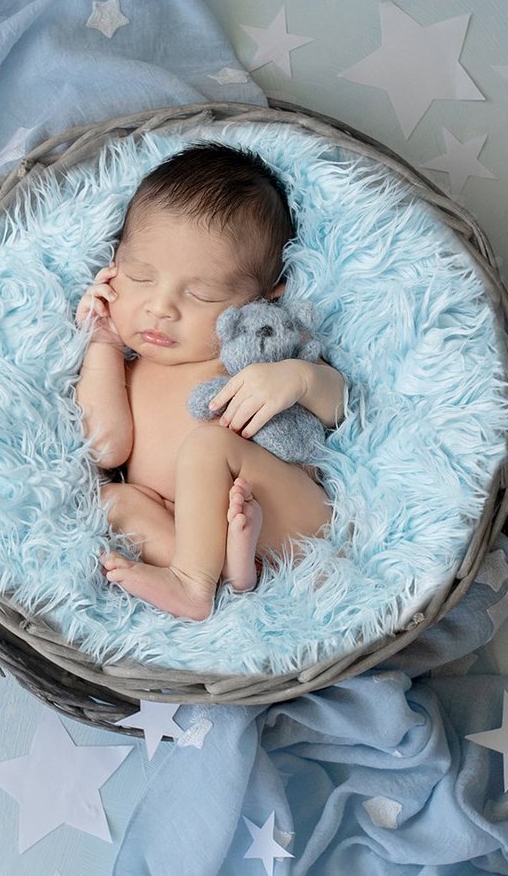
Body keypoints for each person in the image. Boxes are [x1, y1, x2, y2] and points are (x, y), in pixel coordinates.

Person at [73, 141, 347, 621]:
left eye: (201, 294)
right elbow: (106, 450)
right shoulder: (129, 367)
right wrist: (102, 346)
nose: (161, 307)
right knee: (113, 499)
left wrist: (300, 379)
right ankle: (228, 575)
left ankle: (192, 586)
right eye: (139, 278)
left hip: (287, 510)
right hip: (198, 534)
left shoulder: (254, 350)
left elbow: (341, 406)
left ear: (264, 297)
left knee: (206, 446)